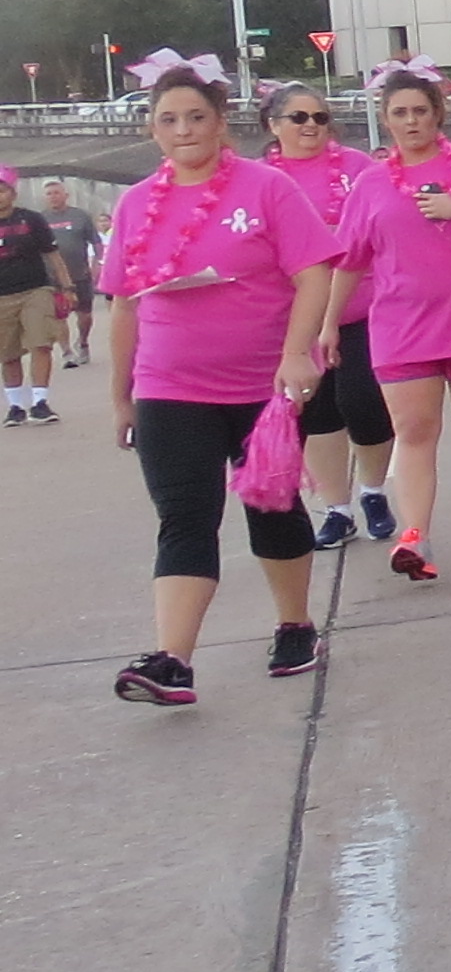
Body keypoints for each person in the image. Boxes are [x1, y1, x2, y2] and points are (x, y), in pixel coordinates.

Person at [98, 67, 337, 701]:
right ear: (152, 130)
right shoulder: (136, 203)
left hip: (262, 387)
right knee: (184, 517)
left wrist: (297, 354)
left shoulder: (267, 188)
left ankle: (295, 624)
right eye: (169, 120)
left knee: (272, 507)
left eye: (196, 117)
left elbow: (313, 272)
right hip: (169, 388)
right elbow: (124, 305)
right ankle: (172, 661)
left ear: (220, 122)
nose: (184, 130)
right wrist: (121, 395)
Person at [333, 66, 451, 579]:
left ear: (438, 114)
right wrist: (327, 324)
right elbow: (349, 261)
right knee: (414, 430)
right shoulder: (371, 184)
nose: (411, 121)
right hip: (401, 327)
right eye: (400, 113)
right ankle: (414, 536)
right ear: (385, 120)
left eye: (420, 111)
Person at [256, 84, 397, 547]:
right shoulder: (262, 179)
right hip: (297, 317)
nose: (311, 126)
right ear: (273, 125)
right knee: (317, 413)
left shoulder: (356, 167)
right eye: (298, 118)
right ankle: (337, 509)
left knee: (365, 403)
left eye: (319, 117)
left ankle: (373, 490)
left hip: (362, 308)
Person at [0, 165, 68, 423]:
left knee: (41, 343)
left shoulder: (31, 219)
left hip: (35, 290)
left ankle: (40, 402)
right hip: (2, 296)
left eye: (2, 190)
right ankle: (16, 407)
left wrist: (67, 287)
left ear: (13, 193)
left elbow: (52, 254)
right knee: (8, 353)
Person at [37, 175, 101, 370]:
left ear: (66, 195)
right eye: (49, 194)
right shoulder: (40, 219)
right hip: (52, 277)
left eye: (56, 193)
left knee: (84, 315)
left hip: (80, 274)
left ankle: (83, 343)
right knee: (59, 316)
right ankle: (67, 352)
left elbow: (96, 242)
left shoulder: (80, 216)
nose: (53, 196)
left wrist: (97, 263)